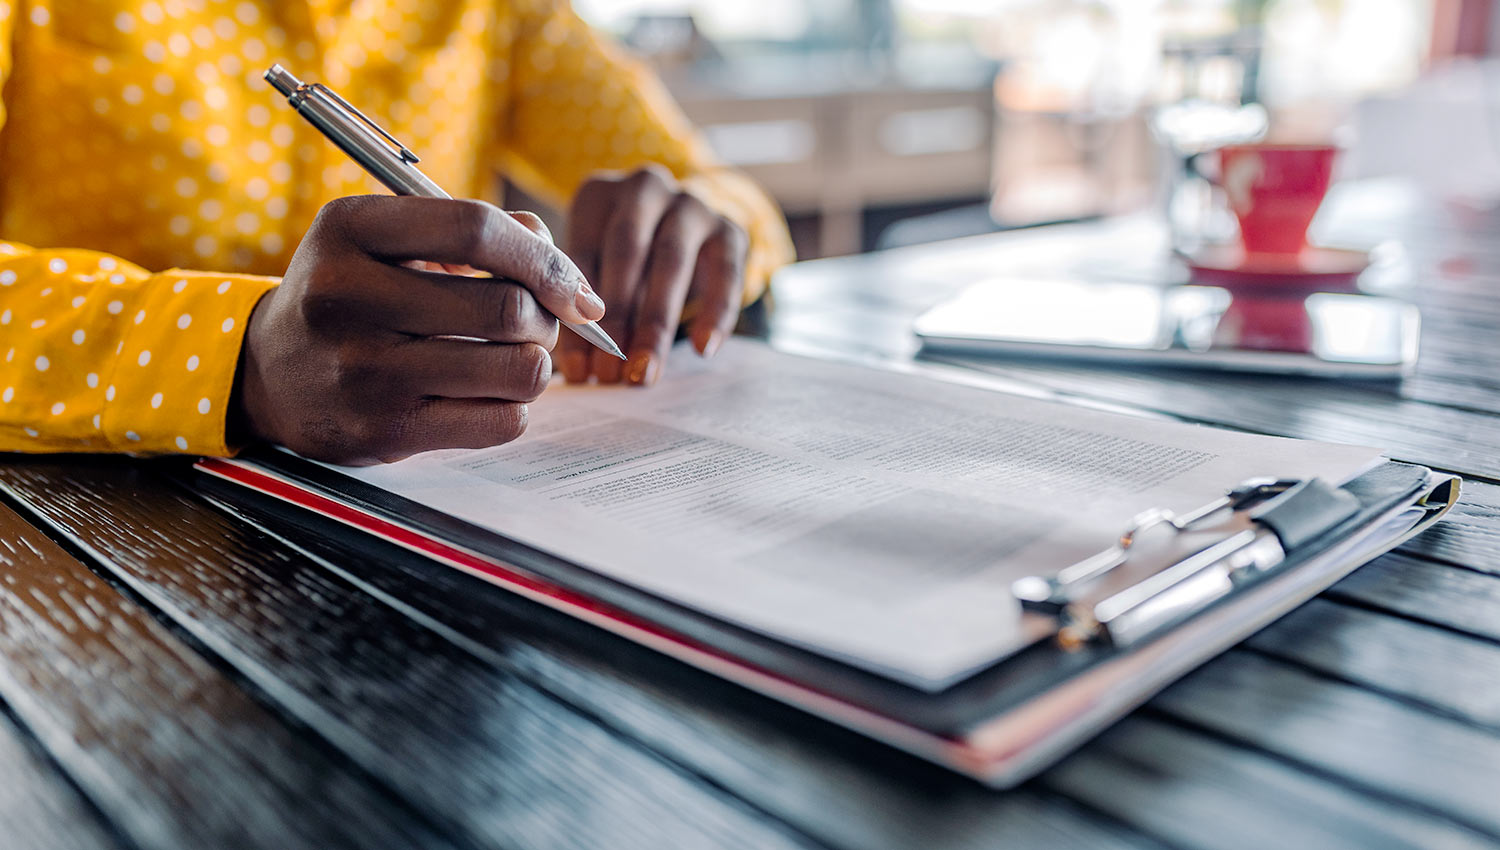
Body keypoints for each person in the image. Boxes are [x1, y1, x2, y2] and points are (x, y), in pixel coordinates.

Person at [0, 0, 793, 464]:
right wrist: (234, 355)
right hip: (95, 511)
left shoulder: (494, 12)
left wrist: (709, 224)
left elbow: (721, 189)